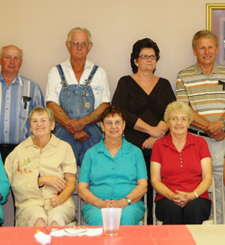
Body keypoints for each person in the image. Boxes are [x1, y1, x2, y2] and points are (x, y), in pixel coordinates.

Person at [176, 30, 225, 224]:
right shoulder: (183, 76)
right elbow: (183, 109)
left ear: (217, 49)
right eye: (202, 47)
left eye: (210, 47)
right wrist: (210, 128)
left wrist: (219, 125)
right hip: (195, 141)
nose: (206, 51)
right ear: (194, 50)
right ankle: (202, 233)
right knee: (199, 184)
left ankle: (222, 231)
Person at [112, 38, 175, 224]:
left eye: (153, 57)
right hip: (132, 147)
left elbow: (173, 111)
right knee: (137, 186)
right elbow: (120, 112)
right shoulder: (125, 82)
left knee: (159, 186)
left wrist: (157, 136)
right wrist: (151, 131)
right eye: (145, 56)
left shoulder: (164, 84)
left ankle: (154, 224)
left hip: (161, 146)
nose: (149, 60)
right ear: (135, 61)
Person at [46, 27, 111, 165]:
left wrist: (82, 123)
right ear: (68, 45)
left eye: (84, 44)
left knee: (94, 179)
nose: (79, 48)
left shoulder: (100, 73)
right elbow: (51, 105)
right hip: (63, 137)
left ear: (90, 47)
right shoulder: (56, 72)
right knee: (62, 180)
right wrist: (74, 129)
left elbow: (105, 106)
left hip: (93, 138)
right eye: (75, 43)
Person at [4, 107, 77, 227]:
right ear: (31, 127)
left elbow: (71, 181)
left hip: (59, 201)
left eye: (44, 120)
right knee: (39, 222)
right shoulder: (18, 152)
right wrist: (40, 180)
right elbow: (14, 183)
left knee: (55, 222)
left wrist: (61, 199)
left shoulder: (64, 148)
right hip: (30, 203)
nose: (39, 125)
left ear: (52, 125)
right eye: (34, 121)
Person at [78, 106, 148, 226]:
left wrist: (124, 202)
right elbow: (82, 188)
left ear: (124, 125)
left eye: (117, 122)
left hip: (130, 205)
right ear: (102, 126)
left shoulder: (136, 152)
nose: (113, 127)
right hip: (96, 207)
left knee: (125, 218)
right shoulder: (91, 154)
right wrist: (100, 204)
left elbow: (143, 186)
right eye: (109, 123)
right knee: (98, 219)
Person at [0, 45, 45, 162]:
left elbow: (43, 122)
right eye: (7, 57)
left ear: (21, 62)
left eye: (16, 58)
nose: (12, 62)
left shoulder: (32, 87)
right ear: (0, 60)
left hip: (23, 150)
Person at [150, 102, 212, 224]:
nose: (179, 123)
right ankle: (172, 244)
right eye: (174, 119)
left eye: (183, 119)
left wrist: (192, 195)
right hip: (166, 198)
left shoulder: (201, 142)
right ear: (168, 122)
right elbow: (155, 180)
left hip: (198, 197)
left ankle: (193, 244)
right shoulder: (159, 145)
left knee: (193, 209)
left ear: (189, 123)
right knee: (173, 210)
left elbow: (208, 177)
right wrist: (172, 196)